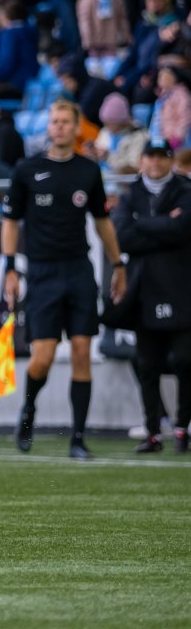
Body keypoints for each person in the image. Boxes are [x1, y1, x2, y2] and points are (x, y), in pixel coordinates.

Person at [2, 99, 127, 460]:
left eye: (64, 121)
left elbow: (103, 222)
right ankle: (28, 411)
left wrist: (118, 264)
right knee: (42, 357)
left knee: (82, 352)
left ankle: (77, 437)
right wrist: (10, 267)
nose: (57, 126)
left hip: (79, 270)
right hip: (42, 273)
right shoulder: (27, 170)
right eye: (53, 121)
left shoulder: (88, 171)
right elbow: (10, 222)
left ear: (76, 128)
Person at [111, 138, 191, 453]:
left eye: (162, 158)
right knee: (147, 364)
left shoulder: (184, 189)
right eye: (151, 157)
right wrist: (164, 227)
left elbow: (184, 228)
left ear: (169, 161)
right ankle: (153, 431)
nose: (156, 163)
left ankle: (183, 426)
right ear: (142, 160)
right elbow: (122, 236)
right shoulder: (132, 194)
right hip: (144, 290)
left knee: (186, 360)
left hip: (182, 288)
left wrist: (142, 226)